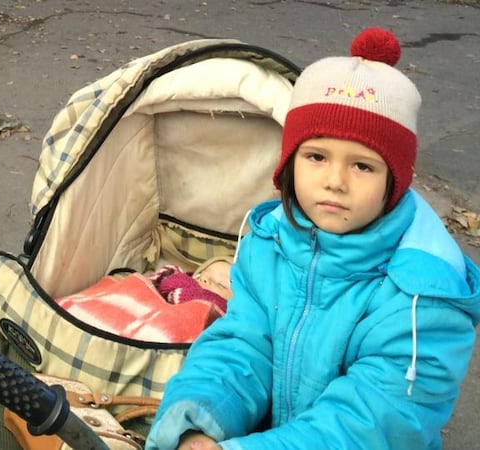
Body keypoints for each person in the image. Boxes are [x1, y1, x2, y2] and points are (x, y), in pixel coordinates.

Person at [145, 27, 480, 450]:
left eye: (362, 166)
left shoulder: (423, 297)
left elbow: (374, 421)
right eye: (317, 156)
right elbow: (243, 344)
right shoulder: (271, 242)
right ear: (290, 162)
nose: (334, 182)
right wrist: (195, 423)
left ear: (394, 180)